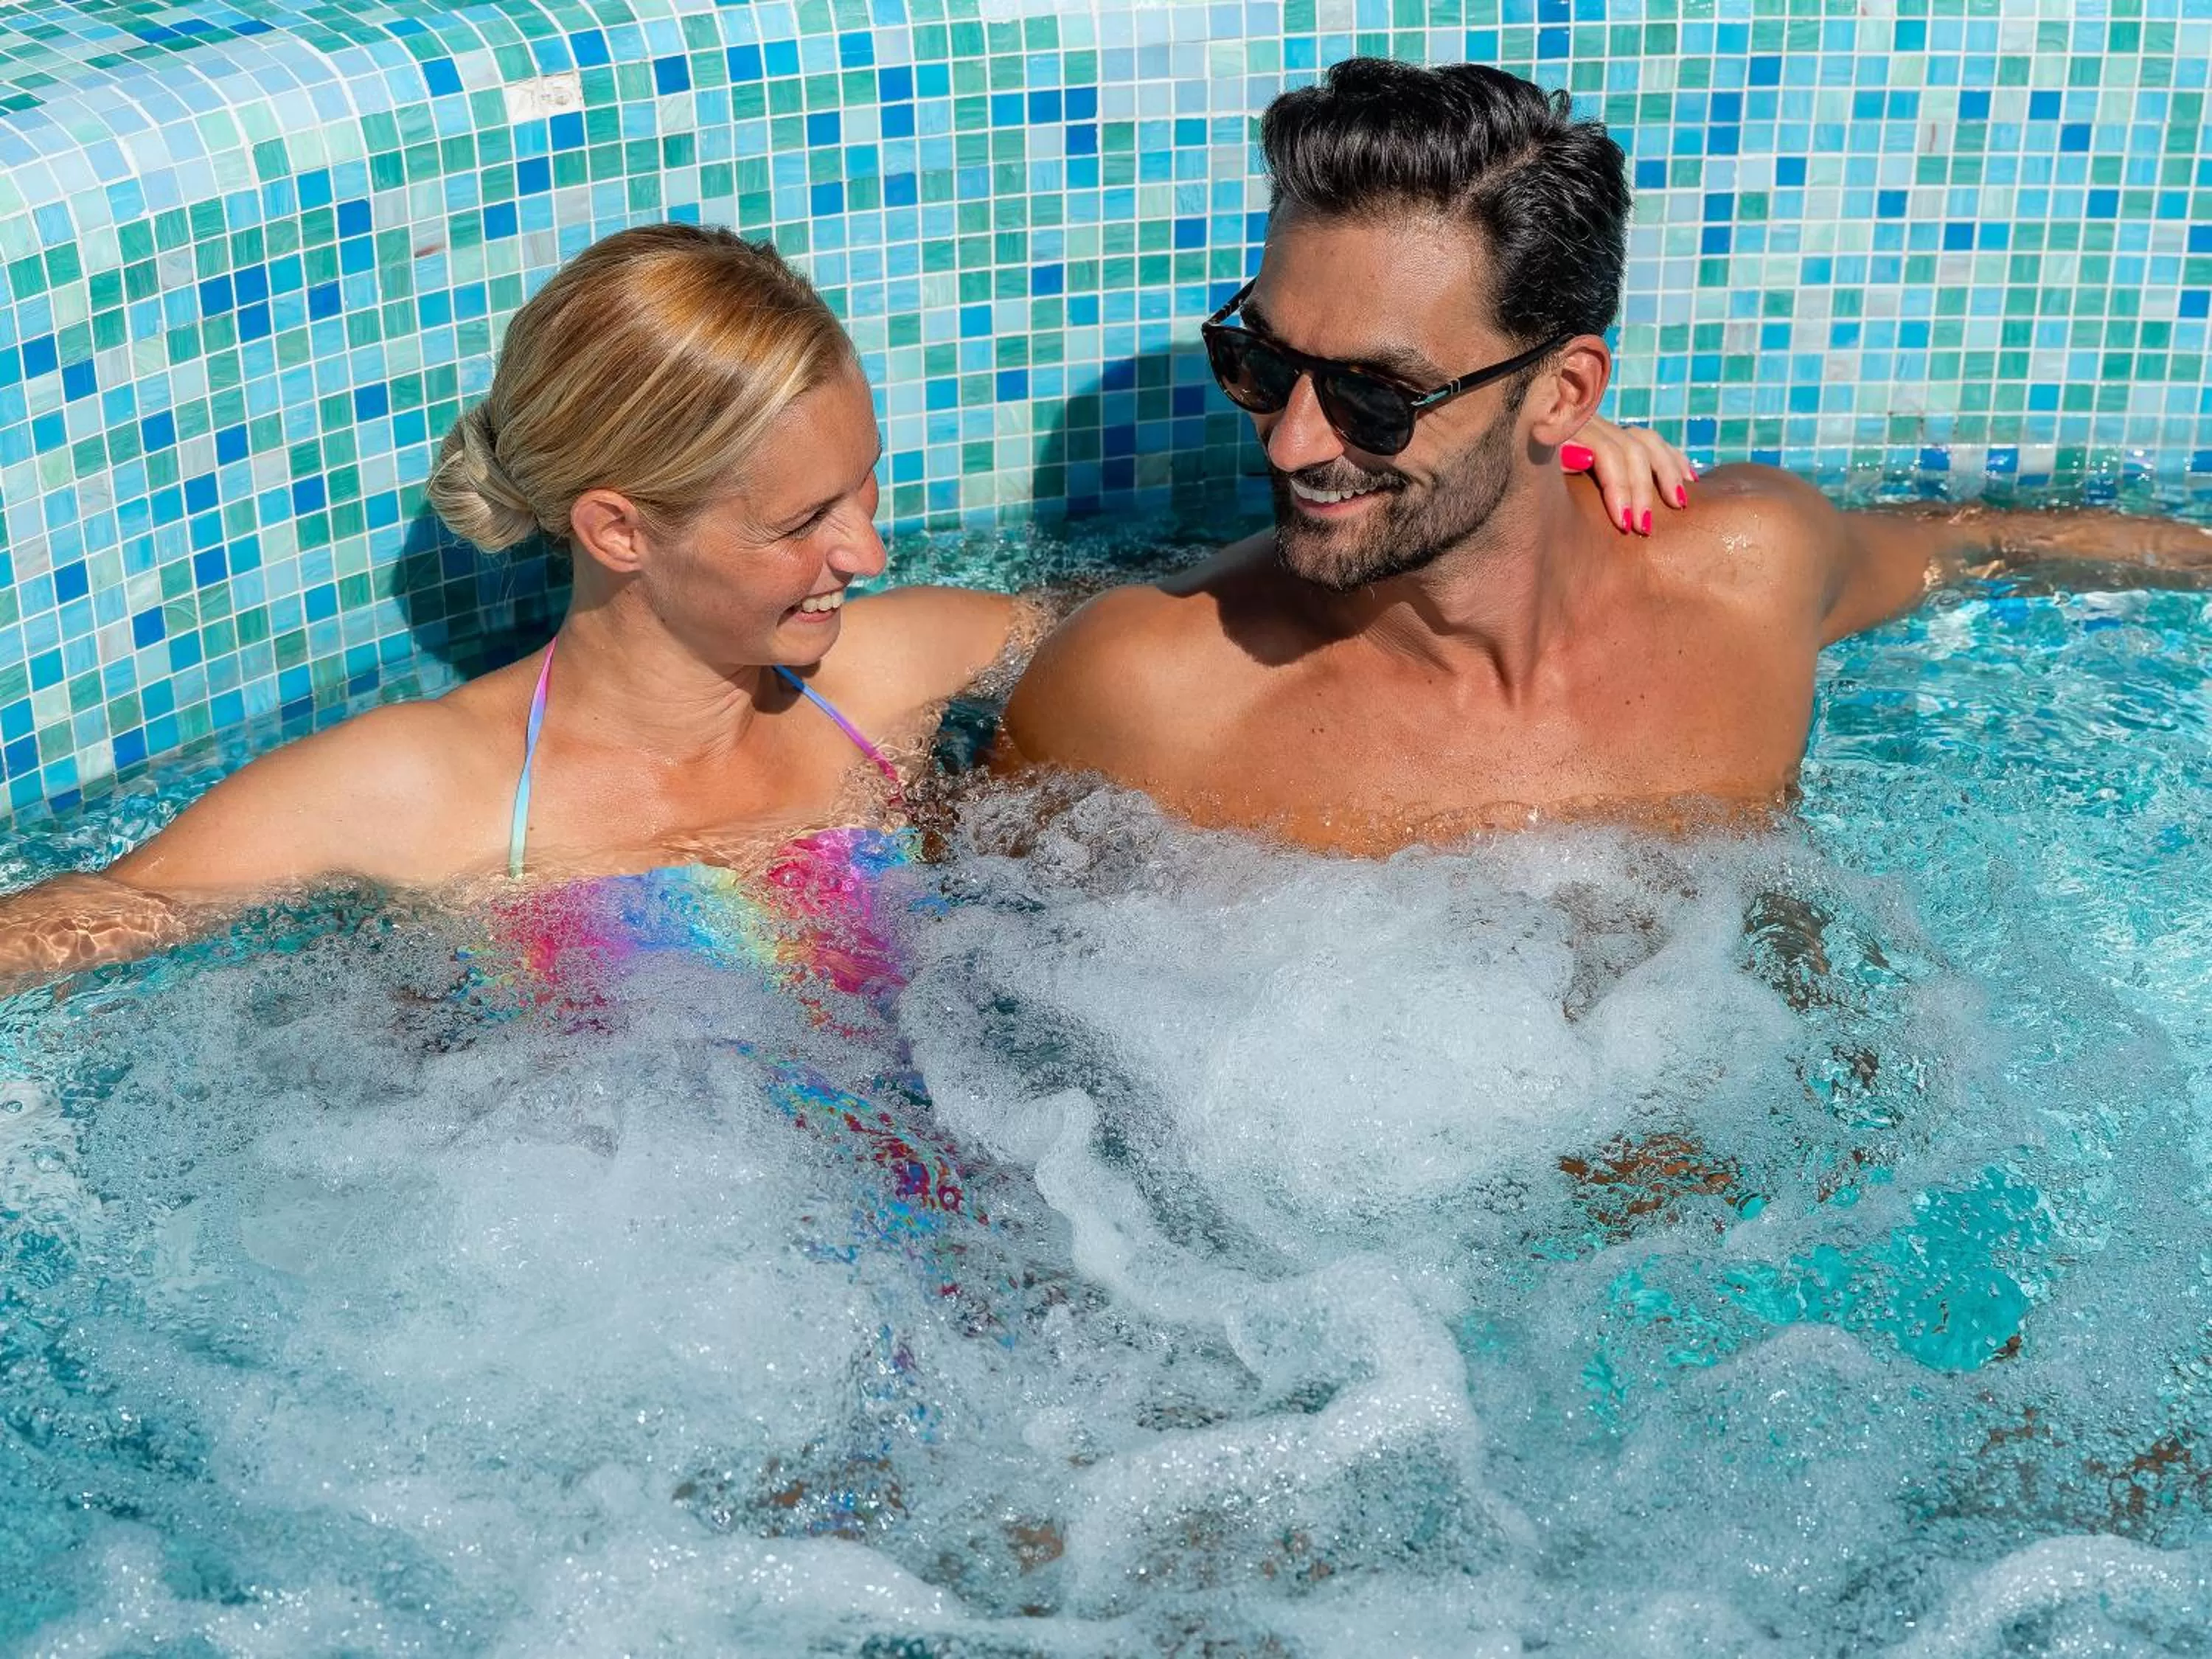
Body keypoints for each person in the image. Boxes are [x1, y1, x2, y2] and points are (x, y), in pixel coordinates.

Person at [0, 220, 1683, 982]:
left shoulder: (889, 672)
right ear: (618, 529)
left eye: (869, 493)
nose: (869, 552)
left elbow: (1214, 624)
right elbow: (79, 924)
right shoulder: (419, 791)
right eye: (807, 520)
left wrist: (1525, 477)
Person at [997, 59, 2212, 850]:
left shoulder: (1750, 575)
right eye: (1262, 362)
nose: (1292, 437)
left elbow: (1971, 545)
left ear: (1564, 395)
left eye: (1376, 396)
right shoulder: (1153, 697)